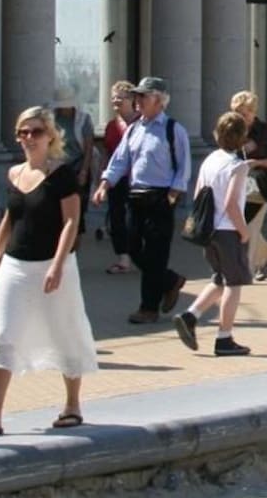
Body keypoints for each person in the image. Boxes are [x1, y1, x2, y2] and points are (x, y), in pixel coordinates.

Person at [0, 106, 94, 436]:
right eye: (22, 132)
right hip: (16, 264)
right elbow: (11, 219)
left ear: (50, 135)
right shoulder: (14, 174)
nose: (27, 138)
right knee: (2, 332)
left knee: (65, 329)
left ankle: (72, 405)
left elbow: (71, 222)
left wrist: (57, 265)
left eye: (35, 132)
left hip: (54, 264)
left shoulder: (61, 173)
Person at [93, 76, 191, 325]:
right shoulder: (135, 129)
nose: (137, 101)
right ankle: (169, 280)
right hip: (135, 196)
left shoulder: (173, 130)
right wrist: (105, 184)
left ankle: (148, 308)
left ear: (159, 101)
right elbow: (119, 160)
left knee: (156, 254)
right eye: (136, 96)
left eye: (143, 96)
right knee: (131, 246)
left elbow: (183, 166)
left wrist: (173, 195)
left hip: (161, 198)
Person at [173, 111, 255, 356]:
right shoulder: (237, 166)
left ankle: (191, 315)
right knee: (234, 283)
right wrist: (244, 231)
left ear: (218, 134)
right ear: (242, 137)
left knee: (219, 278)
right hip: (229, 230)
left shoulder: (210, 160)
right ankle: (224, 337)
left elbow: (199, 193)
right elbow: (231, 204)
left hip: (210, 230)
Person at [231, 91, 267, 281]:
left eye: (244, 114)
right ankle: (266, 258)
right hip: (235, 185)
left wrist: (254, 163)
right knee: (240, 226)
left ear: (253, 112)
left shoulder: (264, 132)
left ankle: (246, 272)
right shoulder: (232, 128)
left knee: (249, 227)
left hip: (259, 186)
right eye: (237, 113)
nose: (240, 118)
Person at [99, 81, 139, 273]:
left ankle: (137, 253)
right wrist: (102, 179)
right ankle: (123, 257)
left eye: (120, 97)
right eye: (113, 96)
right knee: (116, 216)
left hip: (137, 179)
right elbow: (107, 152)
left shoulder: (141, 123)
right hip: (116, 178)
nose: (115, 100)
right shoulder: (111, 126)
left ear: (132, 100)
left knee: (135, 218)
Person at [50, 86, 96, 194]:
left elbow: (88, 148)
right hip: (57, 168)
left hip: (77, 168)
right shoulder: (52, 119)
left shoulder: (84, 119)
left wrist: (84, 172)